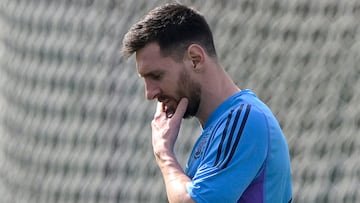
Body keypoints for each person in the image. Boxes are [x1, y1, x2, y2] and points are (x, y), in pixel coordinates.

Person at [122, 2, 292, 203]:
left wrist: (164, 155)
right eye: (145, 80)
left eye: (156, 76)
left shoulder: (245, 118)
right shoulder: (220, 127)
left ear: (195, 59)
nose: (150, 93)